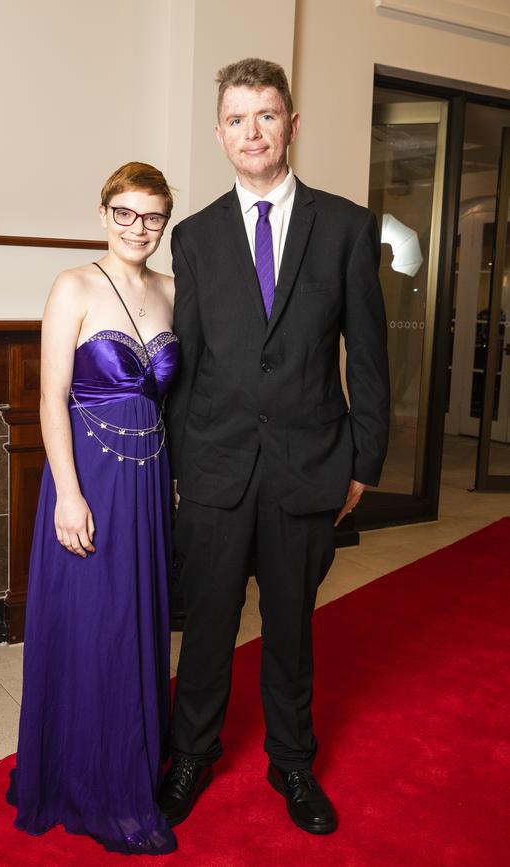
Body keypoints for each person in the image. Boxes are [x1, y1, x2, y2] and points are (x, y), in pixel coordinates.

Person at [159, 58, 390, 835]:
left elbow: (368, 356)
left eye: (265, 115)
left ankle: (293, 764)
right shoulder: (191, 240)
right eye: (235, 119)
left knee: (291, 631)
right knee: (209, 627)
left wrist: (363, 461)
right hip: (216, 468)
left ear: (291, 126)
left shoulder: (349, 227)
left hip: (309, 467)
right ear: (220, 133)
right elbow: (186, 367)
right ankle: (190, 754)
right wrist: (181, 467)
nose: (251, 131)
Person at [7, 162, 179, 855]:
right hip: (87, 476)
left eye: (152, 216)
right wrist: (68, 493)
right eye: (125, 213)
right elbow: (51, 396)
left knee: (139, 619)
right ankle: (80, 774)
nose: (138, 228)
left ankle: (130, 765)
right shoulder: (73, 285)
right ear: (103, 213)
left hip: (148, 475)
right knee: (92, 622)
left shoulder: (174, 290)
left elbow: (177, 397)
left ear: (165, 221)